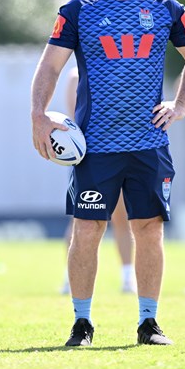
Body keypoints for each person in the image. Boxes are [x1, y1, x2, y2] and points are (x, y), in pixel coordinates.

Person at [31, 0, 185, 347]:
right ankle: (82, 324)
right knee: (87, 230)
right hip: (96, 146)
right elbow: (50, 66)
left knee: (148, 229)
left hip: (149, 143)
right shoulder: (78, 10)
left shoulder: (165, 7)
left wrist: (181, 105)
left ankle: (149, 323)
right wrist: (37, 115)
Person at [60, 67, 136, 295]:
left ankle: (127, 276)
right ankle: (70, 278)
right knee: (81, 221)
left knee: (122, 218)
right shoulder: (76, 75)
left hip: (118, 151)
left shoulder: (119, 71)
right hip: (90, 156)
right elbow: (75, 119)